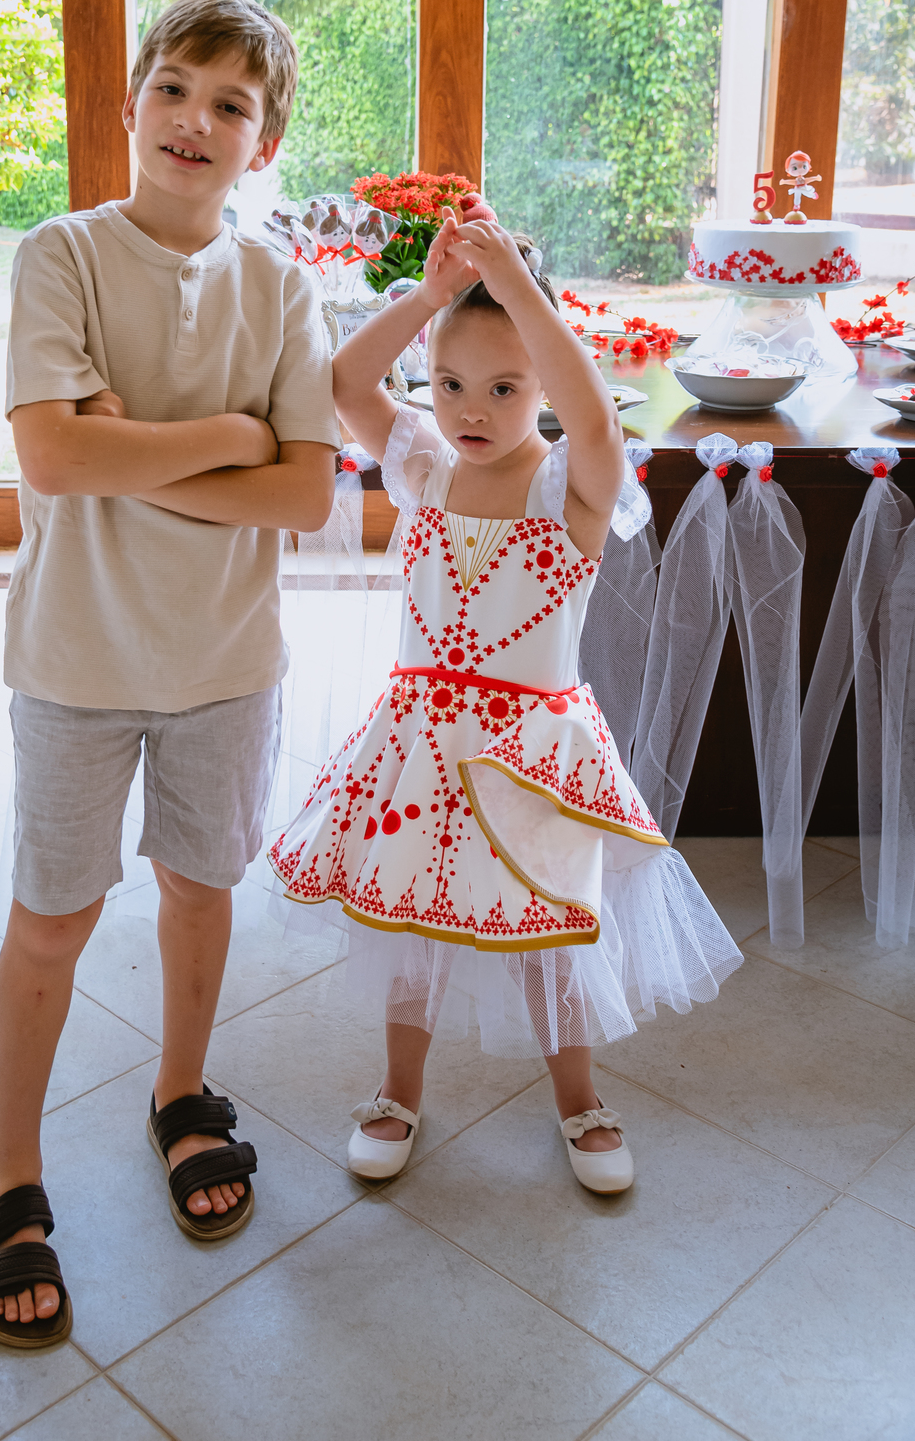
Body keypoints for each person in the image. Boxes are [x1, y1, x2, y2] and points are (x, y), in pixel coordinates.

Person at [0, 0, 340, 1348]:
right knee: (51, 919)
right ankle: (11, 1176)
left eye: (231, 104)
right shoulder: (60, 255)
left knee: (200, 888)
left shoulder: (281, 287)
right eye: (175, 88)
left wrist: (152, 447)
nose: (197, 120)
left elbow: (305, 500)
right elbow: (54, 460)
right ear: (131, 101)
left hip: (228, 664)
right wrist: (232, 436)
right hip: (74, 658)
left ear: (266, 139)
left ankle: (182, 1093)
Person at [268, 208, 741, 1193]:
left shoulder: (571, 485)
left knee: (547, 936)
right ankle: (399, 1088)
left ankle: (579, 1098)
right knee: (415, 923)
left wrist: (523, 296)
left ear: (545, 387)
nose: (469, 411)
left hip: (535, 753)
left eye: (503, 388)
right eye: (448, 386)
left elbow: (599, 418)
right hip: (418, 748)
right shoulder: (426, 468)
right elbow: (346, 383)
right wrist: (432, 296)